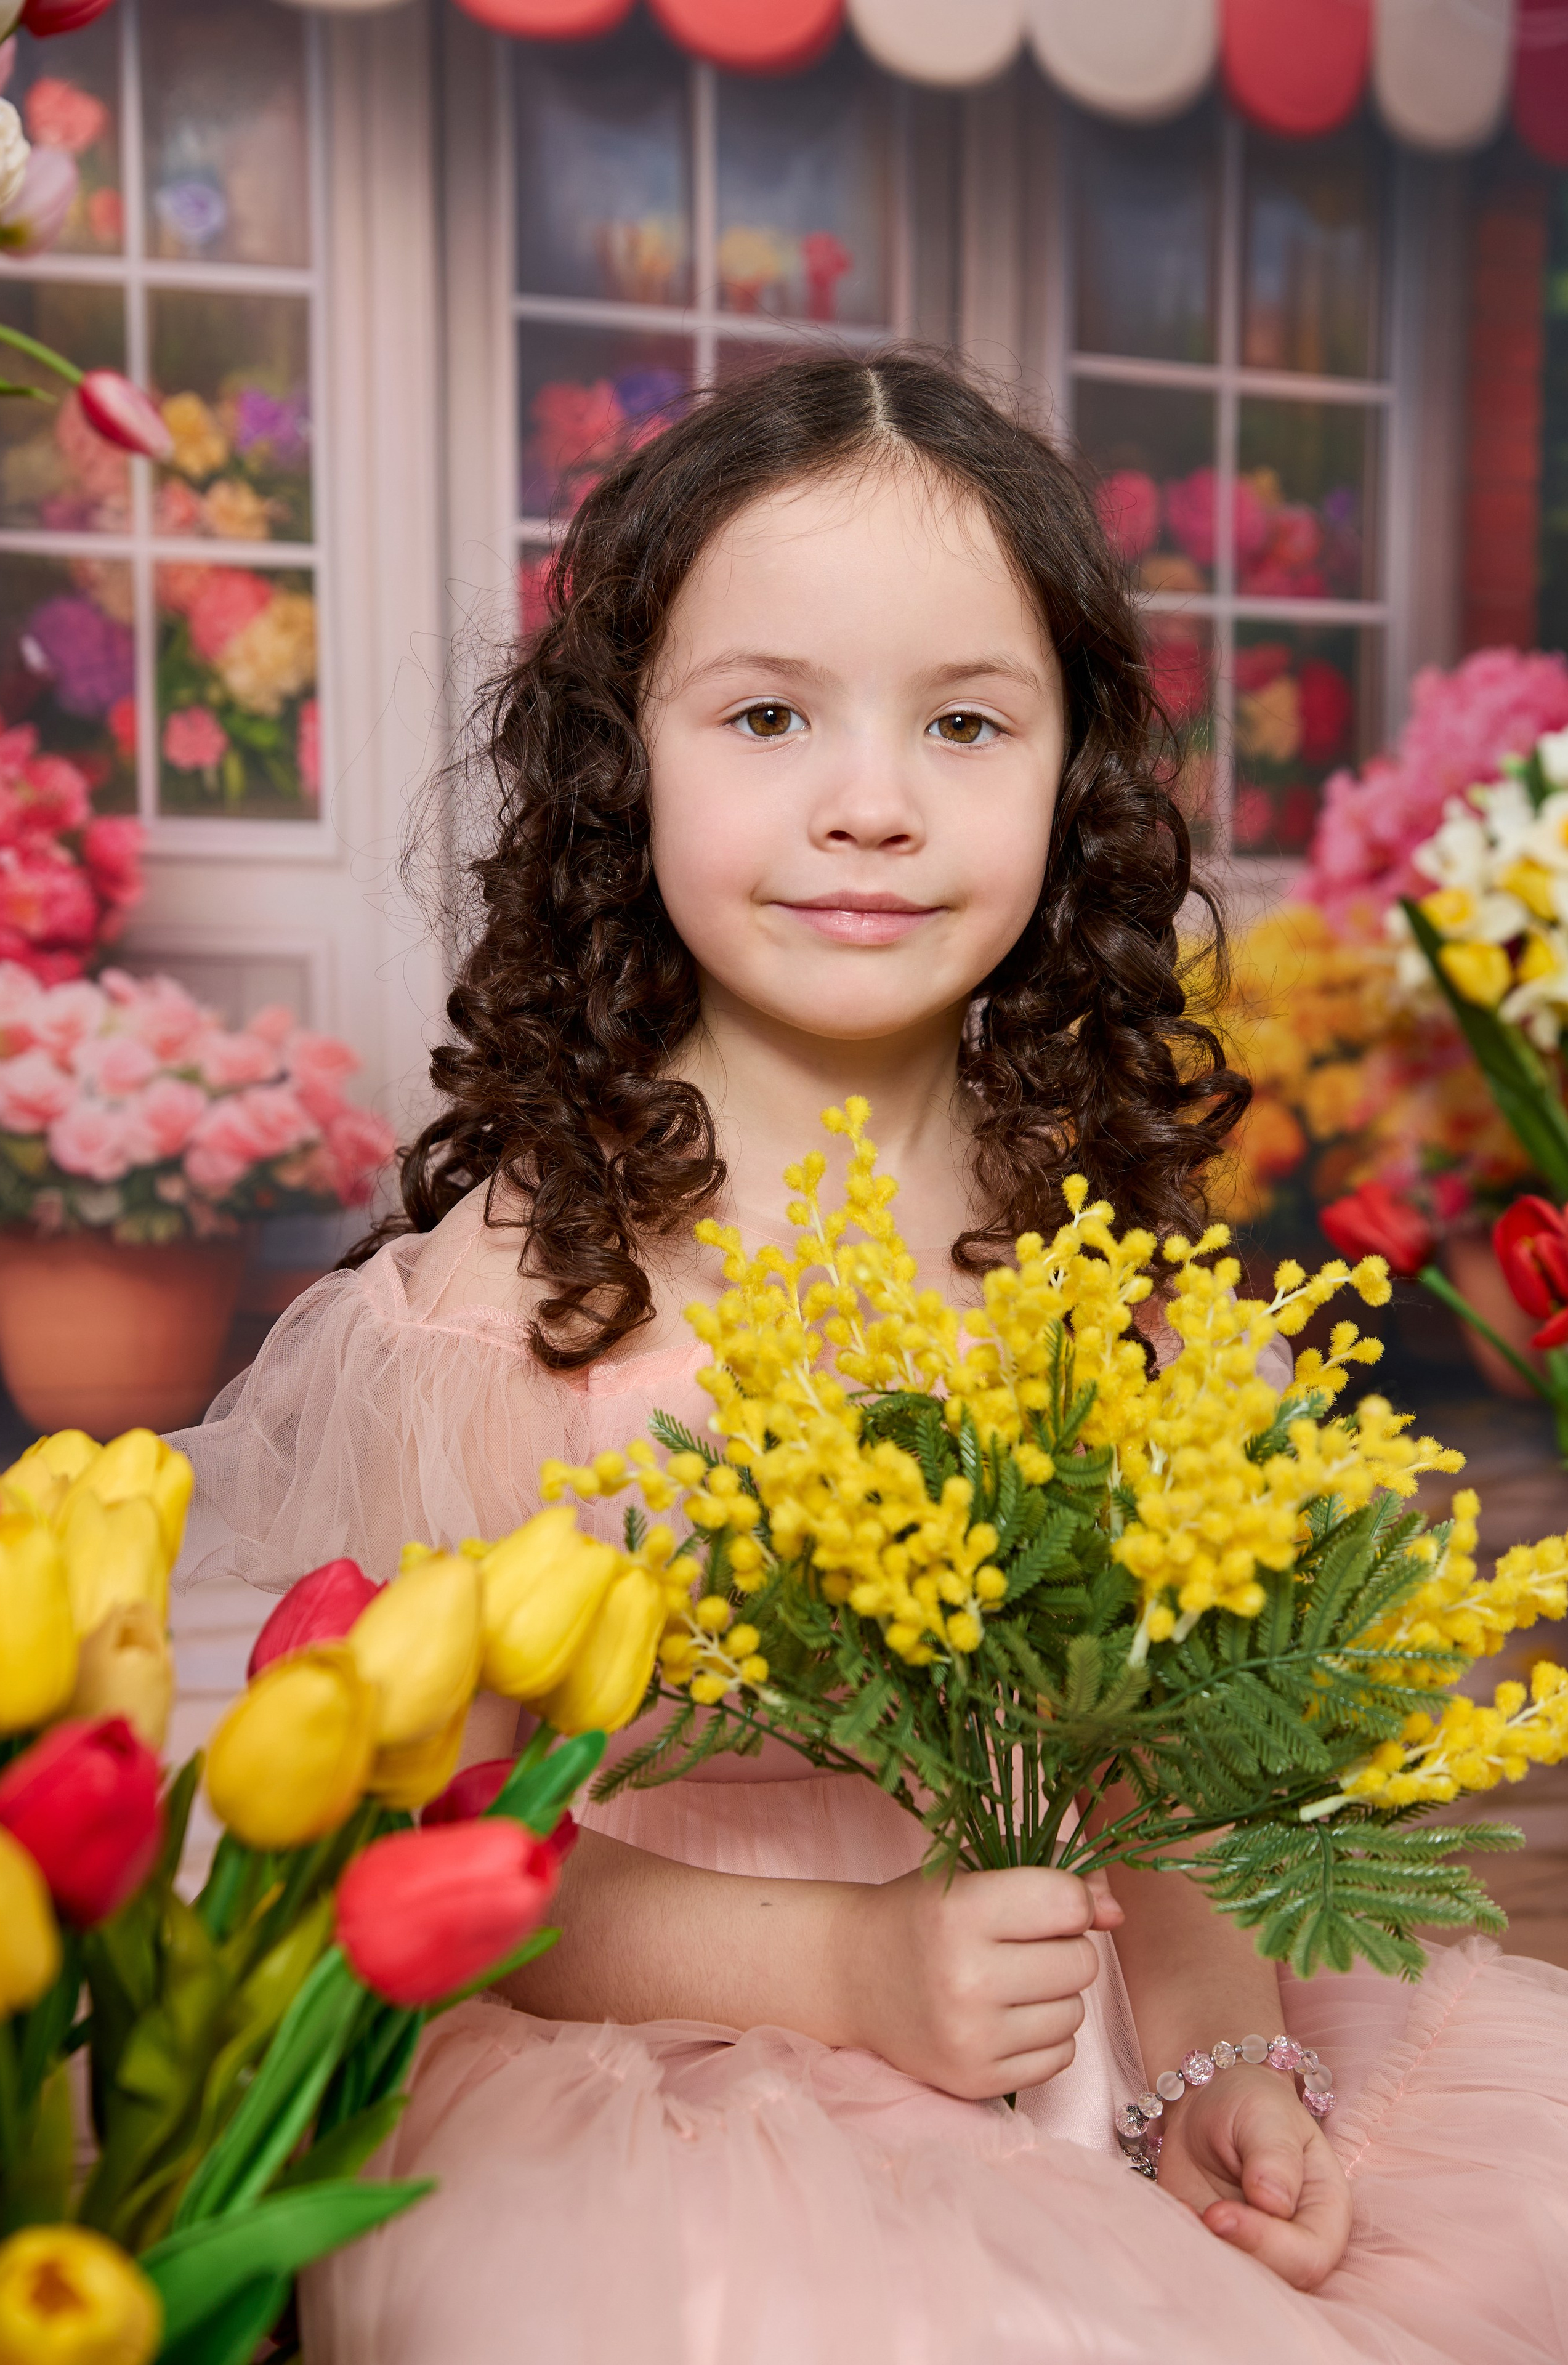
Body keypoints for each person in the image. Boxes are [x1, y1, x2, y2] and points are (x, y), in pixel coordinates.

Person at [177, 352, 1568, 2364]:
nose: (870, 803)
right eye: (765, 714)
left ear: (1071, 772)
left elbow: (1171, 1790)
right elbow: (449, 1852)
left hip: (1083, 2022)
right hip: (683, 2058)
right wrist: (849, 1963)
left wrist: (1208, 2067)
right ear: (622, 764)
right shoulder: (520, 1293)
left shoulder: (1123, 1279)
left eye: (965, 723)